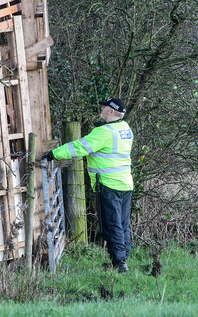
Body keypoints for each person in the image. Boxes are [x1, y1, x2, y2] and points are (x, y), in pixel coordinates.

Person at [43, 98, 133, 272]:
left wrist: (54, 154)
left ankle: (120, 263)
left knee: (111, 225)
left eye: (105, 107)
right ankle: (122, 259)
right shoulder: (125, 129)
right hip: (125, 184)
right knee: (122, 223)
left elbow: (79, 147)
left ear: (111, 111)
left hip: (108, 185)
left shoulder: (104, 132)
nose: (102, 108)